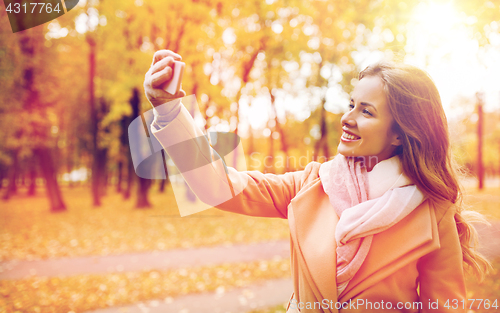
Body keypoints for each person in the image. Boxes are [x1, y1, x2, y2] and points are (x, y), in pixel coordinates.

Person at [143, 50, 491, 312]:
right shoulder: (313, 183)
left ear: (400, 134)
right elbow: (216, 185)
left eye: (365, 111)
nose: (347, 118)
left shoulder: (434, 212)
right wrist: (169, 111)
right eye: (351, 104)